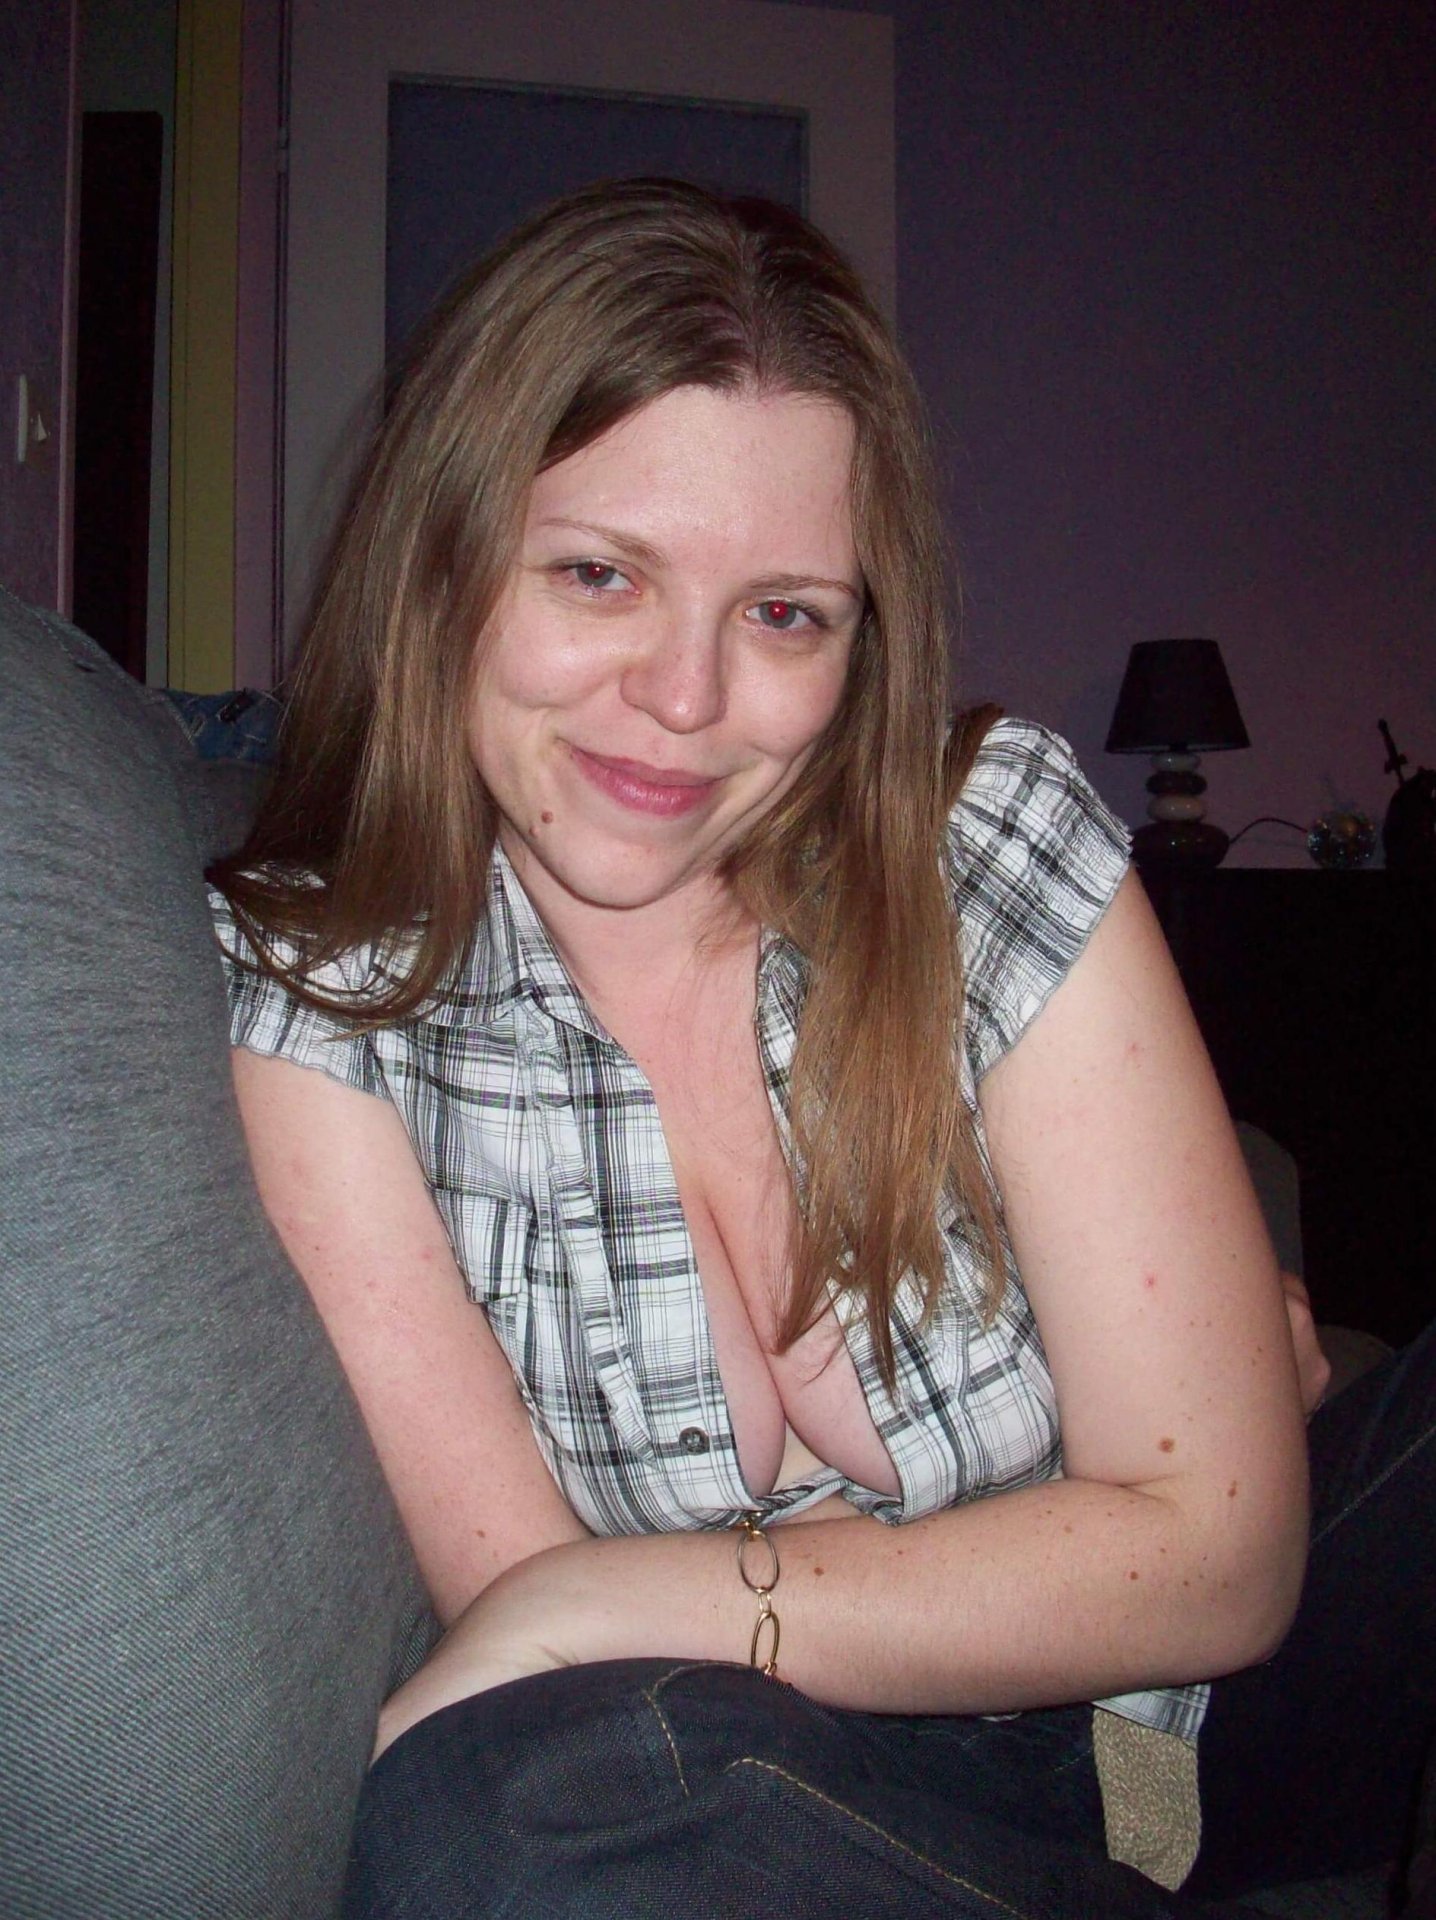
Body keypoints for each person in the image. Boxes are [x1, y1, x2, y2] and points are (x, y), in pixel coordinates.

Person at [208, 180, 1434, 1917]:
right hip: (786, 1806)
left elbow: (1228, 1565)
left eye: (785, 612)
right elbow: (554, 1664)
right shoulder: (325, 998)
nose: (685, 699)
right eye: (598, 574)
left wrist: (652, 1589)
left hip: (1199, 1726)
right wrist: (1122, 1513)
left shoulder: (975, 839)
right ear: (442, 560)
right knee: (500, 1812)